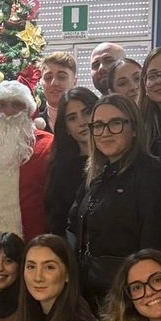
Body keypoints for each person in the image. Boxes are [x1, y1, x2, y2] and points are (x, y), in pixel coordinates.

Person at [67, 94, 161, 312]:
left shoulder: (151, 173)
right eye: (98, 126)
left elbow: (152, 243)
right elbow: (73, 226)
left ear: (134, 129)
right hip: (89, 293)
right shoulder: (96, 175)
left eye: (115, 123)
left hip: (130, 295)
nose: (105, 133)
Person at [0, 81, 54, 247]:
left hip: (35, 250)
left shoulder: (49, 146)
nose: (8, 111)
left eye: (17, 104)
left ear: (28, 110)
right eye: (2, 105)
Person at [44, 87, 98, 236]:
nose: (82, 122)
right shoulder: (60, 169)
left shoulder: (115, 160)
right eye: (72, 118)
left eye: (86, 112)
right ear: (66, 128)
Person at [38, 52, 77, 133]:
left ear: (74, 81)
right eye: (48, 78)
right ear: (41, 83)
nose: (54, 83)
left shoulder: (88, 119)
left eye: (61, 77)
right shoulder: (32, 124)